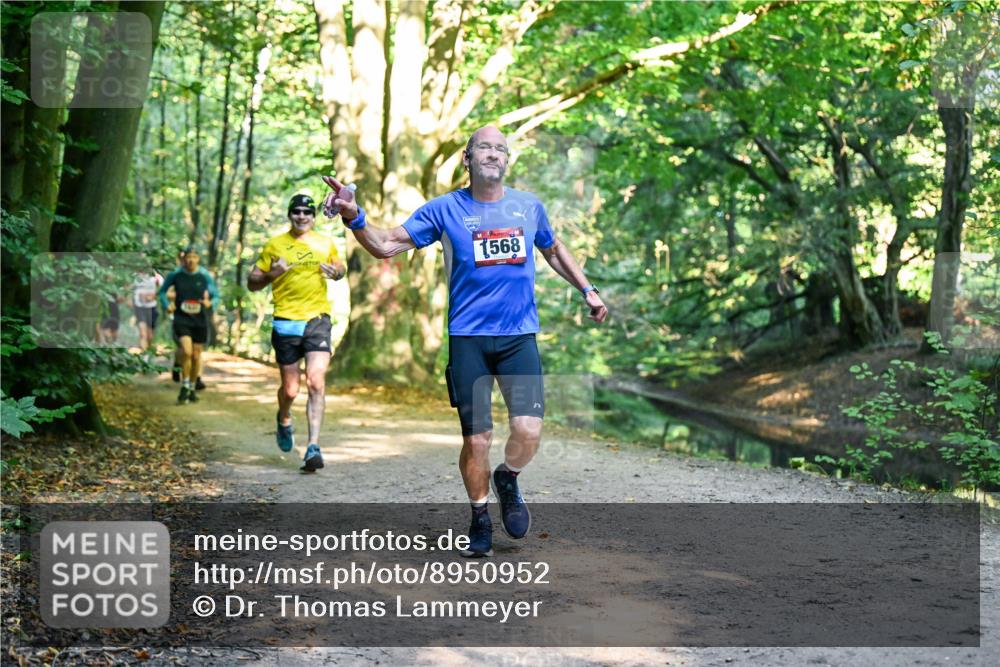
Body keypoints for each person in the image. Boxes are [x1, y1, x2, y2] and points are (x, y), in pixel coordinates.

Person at [321, 125, 608, 557]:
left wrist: (587, 289)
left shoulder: (528, 207)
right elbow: (384, 245)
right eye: (484, 147)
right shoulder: (444, 210)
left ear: (507, 160)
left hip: (518, 339)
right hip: (468, 340)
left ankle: (507, 478)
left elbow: (552, 249)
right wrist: (353, 216)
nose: (493, 154)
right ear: (467, 160)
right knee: (476, 440)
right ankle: (479, 517)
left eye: (500, 149)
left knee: (528, 432)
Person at [247, 194, 347, 472]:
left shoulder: (324, 243)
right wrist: (271, 274)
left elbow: (340, 268)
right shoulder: (274, 245)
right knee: (290, 389)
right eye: (297, 212)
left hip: (317, 319)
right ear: (289, 215)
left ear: (314, 216)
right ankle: (284, 416)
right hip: (286, 322)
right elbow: (252, 283)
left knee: (316, 381)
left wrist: (336, 273)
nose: (302, 216)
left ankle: (313, 446)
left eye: (307, 212)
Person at [158, 247, 215, 404]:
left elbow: (215, 295)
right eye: (188, 257)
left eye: (194, 256)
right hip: (182, 319)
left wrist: (211, 303)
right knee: (187, 352)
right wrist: (166, 304)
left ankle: (191, 387)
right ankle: (184, 385)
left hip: (199, 320)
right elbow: (162, 292)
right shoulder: (176, 275)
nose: (191, 260)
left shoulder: (204, 276)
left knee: (197, 356)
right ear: (184, 259)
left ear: (198, 259)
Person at [132, 270, 163, 351]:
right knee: (143, 334)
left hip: (152, 307)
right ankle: (142, 357)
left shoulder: (156, 277)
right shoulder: (134, 276)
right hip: (139, 307)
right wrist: (129, 299)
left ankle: (147, 353)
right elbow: (127, 287)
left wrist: (154, 295)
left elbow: (164, 288)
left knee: (150, 336)